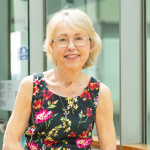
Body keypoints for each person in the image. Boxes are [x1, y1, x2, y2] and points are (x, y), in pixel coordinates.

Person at [3, 8, 116, 150]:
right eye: (62, 39)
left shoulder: (100, 93)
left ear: (91, 45)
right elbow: (10, 143)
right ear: (52, 46)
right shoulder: (31, 85)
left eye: (79, 38)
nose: (71, 46)